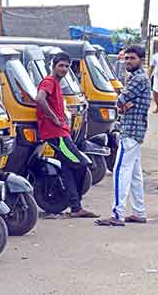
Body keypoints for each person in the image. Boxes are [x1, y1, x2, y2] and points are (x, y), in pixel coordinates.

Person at [35, 52, 99, 218]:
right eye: (61, 65)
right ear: (54, 66)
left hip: (62, 132)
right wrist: (54, 117)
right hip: (56, 134)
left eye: (67, 66)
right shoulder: (49, 81)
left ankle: (76, 207)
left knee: (68, 169)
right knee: (81, 163)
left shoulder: (57, 84)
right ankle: (73, 203)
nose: (64, 69)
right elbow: (40, 99)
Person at [95, 46, 151, 227]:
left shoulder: (138, 79)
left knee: (120, 171)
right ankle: (138, 212)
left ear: (141, 59)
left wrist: (122, 104)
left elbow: (118, 101)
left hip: (131, 131)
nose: (128, 61)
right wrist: (124, 104)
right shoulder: (138, 78)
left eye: (132, 58)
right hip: (135, 130)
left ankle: (117, 214)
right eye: (126, 58)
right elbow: (122, 103)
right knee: (134, 174)